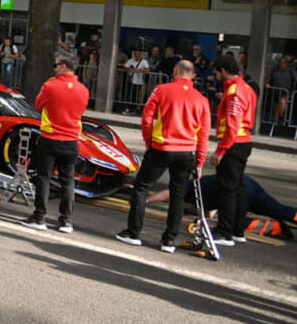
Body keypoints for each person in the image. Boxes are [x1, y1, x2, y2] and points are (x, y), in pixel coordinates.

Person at [116, 60, 210, 252]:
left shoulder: (161, 89)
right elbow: (204, 133)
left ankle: (133, 233)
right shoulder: (202, 99)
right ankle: (168, 240)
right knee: (177, 194)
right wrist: (199, 161)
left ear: (175, 71)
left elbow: (147, 117)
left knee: (141, 188)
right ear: (193, 76)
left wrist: (149, 141)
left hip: (162, 146)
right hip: (187, 151)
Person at [22, 53, 89, 233]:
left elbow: (38, 105)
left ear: (64, 66)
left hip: (50, 137)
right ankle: (65, 220)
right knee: (68, 181)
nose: (54, 68)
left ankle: (39, 216)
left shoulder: (50, 85)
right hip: (71, 140)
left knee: (44, 177)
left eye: (56, 65)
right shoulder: (83, 90)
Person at [147, 174, 296, 240]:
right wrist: (202, 218)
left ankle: (275, 228)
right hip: (247, 183)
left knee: (232, 224)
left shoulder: (188, 187)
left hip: (239, 190)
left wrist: (146, 201)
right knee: (278, 209)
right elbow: (212, 211)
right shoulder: (202, 188)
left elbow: (168, 193)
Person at [210, 55, 257, 247]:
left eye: (216, 73)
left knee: (227, 189)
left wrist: (220, 151)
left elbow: (232, 123)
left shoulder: (235, 91)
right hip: (243, 141)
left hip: (233, 143)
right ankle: (237, 230)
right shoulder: (246, 88)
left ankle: (224, 232)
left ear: (222, 71)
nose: (216, 76)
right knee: (238, 188)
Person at [123, 49, 149, 113]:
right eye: (135, 54)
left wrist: (137, 69)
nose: (136, 56)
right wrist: (129, 68)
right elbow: (124, 66)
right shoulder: (131, 60)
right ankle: (128, 108)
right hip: (131, 80)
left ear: (140, 54)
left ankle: (134, 109)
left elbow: (147, 70)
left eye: (138, 54)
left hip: (139, 82)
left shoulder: (144, 61)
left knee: (136, 96)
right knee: (129, 95)